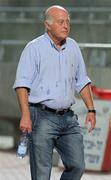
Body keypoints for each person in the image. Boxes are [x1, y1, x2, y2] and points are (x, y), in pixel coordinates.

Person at [13, 5, 96, 180]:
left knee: (77, 166)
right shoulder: (33, 48)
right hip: (41, 117)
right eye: (60, 22)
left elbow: (82, 80)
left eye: (67, 22)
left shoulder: (73, 47)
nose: (66, 25)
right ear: (47, 25)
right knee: (42, 174)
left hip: (68, 119)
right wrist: (25, 115)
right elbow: (22, 84)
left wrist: (91, 109)